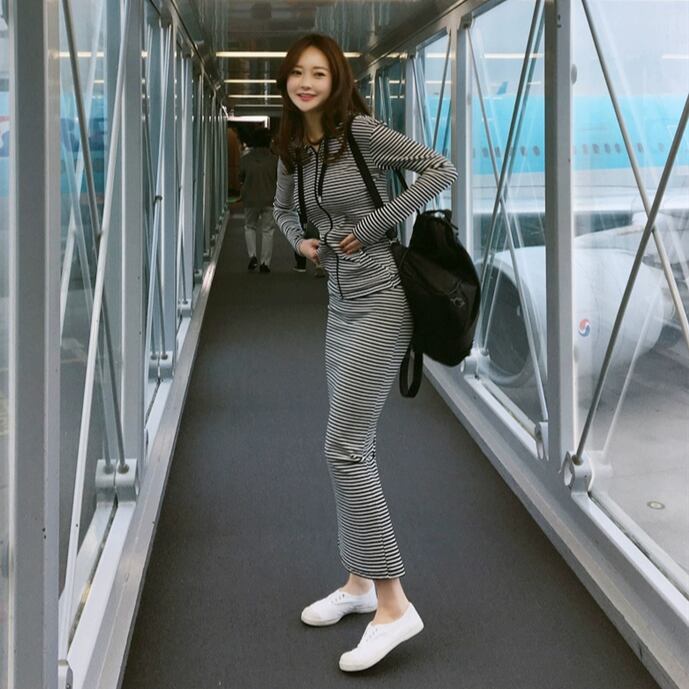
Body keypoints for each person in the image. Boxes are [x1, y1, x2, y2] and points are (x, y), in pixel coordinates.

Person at [273, 34, 457, 672]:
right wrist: (301, 243)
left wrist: (374, 226)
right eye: (297, 72)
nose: (305, 82)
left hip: (382, 298)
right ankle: (357, 585)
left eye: (318, 73)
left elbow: (440, 170)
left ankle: (393, 604)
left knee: (344, 447)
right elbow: (282, 210)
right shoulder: (294, 148)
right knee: (355, 446)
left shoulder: (361, 132)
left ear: (337, 81)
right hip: (339, 301)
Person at [239, 127, 278, 273]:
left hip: (250, 199)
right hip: (269, 199)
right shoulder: (275, 160)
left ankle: (252, 255)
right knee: (268, 230)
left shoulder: (245, 159)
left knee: (250, 227)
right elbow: (280, 180)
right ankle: (265, 263)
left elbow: (240, 177)